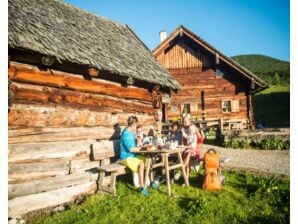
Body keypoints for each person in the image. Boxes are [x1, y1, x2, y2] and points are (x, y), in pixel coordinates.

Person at [120, 116, 150, 196]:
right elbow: (131, 149)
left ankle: (148, 182)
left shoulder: (130, 133)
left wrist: (140, 140)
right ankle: (142, 187)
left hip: (132, 156)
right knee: (141, 163)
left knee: (148, 160)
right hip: (126, 157)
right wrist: (142, 148)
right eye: (136, 125)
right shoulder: (126, 134)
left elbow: (136, 144)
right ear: (133, 124)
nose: (136, 127)